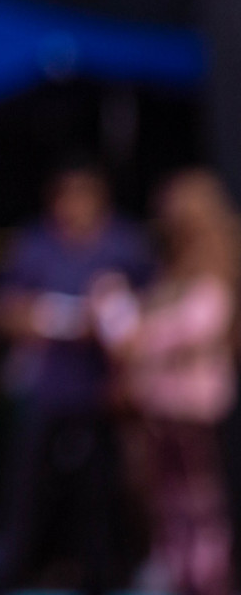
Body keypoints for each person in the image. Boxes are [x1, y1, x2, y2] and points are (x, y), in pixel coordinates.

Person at [0, 160, 152, 594]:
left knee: (102, 502)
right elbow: (2, 311)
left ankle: (107, 577)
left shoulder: (125, 245)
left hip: (106, 396)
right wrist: (46, 317)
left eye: (82, 197)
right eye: (63, 197)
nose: (71, 207)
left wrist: (115, 318)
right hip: (46, 395)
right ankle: (16, 574)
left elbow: (153, 312)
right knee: (28, 498)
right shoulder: (36, 244)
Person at [92, 169, 241, 595]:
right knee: (167, 504)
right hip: (159, 407)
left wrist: (139, 336)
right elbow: (133, 333)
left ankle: (209, 579)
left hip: (198, 408)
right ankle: (179, 576)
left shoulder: (216, 270)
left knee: (202, 503)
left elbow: (196, 327)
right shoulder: (167, 271)